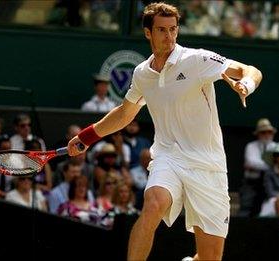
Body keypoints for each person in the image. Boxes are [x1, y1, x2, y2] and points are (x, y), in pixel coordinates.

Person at [67, 2, 263, 260]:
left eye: (173, 29)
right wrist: (86, 137)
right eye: (161, 30)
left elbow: (251, 71)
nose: (169, 36)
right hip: (168, 156)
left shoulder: (197, 59)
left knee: (209, 258)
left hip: (208, 165)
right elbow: (125, 113)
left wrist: (246, 84)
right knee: (153, 205)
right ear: (148, 32)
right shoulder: (141, 74)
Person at [239, 118, 277, 217]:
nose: (266, 135)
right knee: (246, 208)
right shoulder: (251, 146)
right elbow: (251, 162)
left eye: (269, 132)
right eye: (263, 132)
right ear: (258, 134)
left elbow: (254, 164)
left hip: (270, 183)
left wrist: (258, 166)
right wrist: (270, 165)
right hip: (252, 182)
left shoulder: (276, 147)